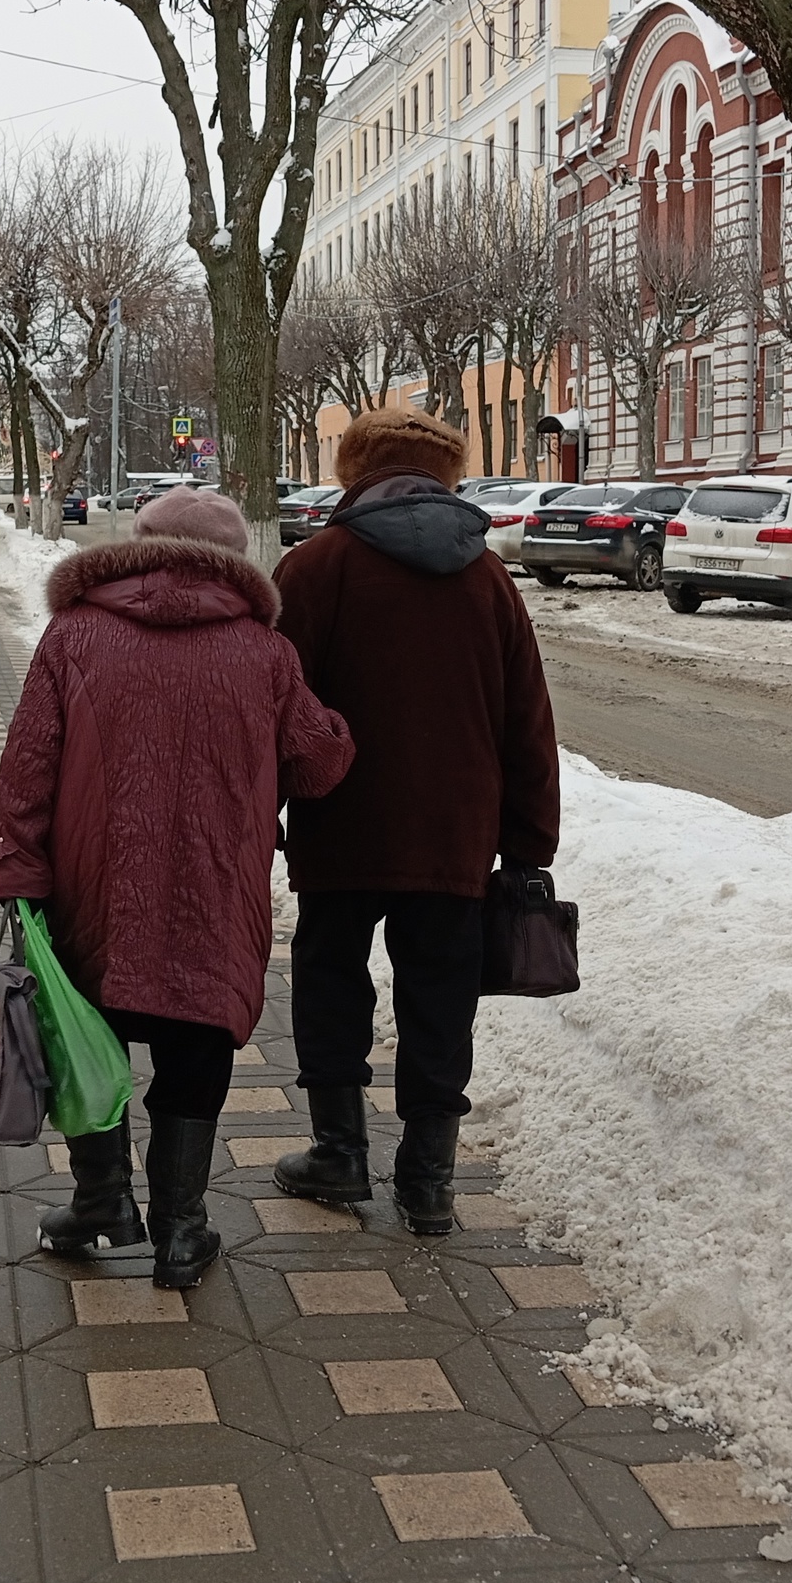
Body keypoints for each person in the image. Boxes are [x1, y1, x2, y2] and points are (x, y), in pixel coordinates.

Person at [0, 486, 354, 1288]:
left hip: (90, 884)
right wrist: (333, 727)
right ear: (234, 560)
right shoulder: (263, 652)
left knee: (88, 1036)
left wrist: (18, 870)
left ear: (142, 544)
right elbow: (318, 762)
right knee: (197, 1036)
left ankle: (101, 1203)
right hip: (214, 886)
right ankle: (182, 1231)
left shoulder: (75, 633)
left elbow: (28, 764)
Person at [271, 407, 559, 1234]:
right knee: (441, 993)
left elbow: (280, 708)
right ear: (447, 475)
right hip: (455, 829)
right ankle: (429, 1179)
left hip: (342, 817)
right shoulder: (488, 577)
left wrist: (268, 811)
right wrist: (529, 839)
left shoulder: (316, 566)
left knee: (331, 979)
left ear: (356, 469)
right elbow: (526, 721)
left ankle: (339, 1153)